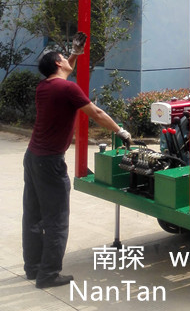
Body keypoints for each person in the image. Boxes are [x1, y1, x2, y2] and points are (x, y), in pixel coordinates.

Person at [22, 32, 131, 289]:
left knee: (33, 215)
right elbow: (96, 113)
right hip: (51, 162)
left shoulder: (45, 87)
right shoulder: (67, 89)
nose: (66, 60)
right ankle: (49, 275)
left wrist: (74, 54)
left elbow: (62, 76)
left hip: (33, 158)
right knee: (57, 219)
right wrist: (120, 131)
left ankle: (33, 268)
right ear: (57, 63)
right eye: (63, 57)